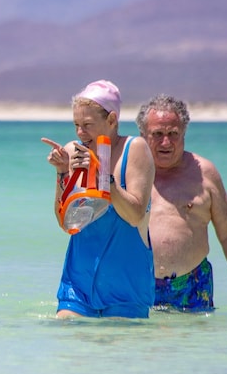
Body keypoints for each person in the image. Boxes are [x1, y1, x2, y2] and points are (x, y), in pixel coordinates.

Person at [135, 94, 227, 311]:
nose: (166, 142)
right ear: (142, 135)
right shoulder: (130, 173)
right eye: (157, 134)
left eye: (173, 134)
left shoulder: (204, 173)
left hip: (193, 287)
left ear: (184, 133)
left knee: (195, 344)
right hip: (137, 284)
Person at [41, 80, 156, 318]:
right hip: (78, 285)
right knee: (73, 349)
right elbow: (66, 223)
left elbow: (135, 215)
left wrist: (102, 176)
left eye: (87, 125)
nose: (80, 133)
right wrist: (62, 172)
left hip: (127, 285)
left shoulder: (134, 149)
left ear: (112, 120)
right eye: (76, 125)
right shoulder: (74, 151)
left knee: (117, 353)